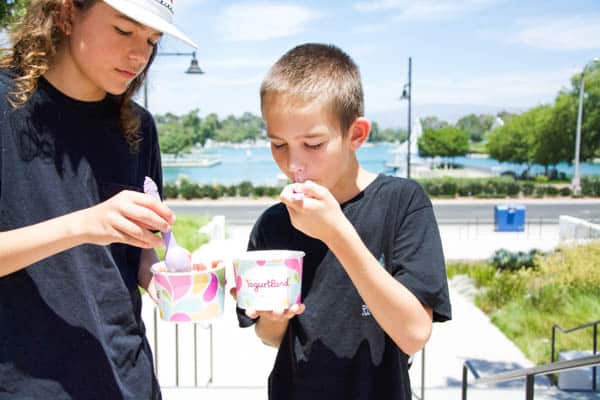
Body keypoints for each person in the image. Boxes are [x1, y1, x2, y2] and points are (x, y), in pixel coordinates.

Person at [0, 1, 196, 398]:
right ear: (67, 14)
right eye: (124, 31)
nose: (140, 55)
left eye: (152, 40)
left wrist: (160, 273)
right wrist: (83, 225)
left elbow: (134, 252)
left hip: (128, 380)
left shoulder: (139, 127)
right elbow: (92, 227)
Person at [236, 43, 452, 399]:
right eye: (278, 144)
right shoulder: (273, 223)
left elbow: (414, 333)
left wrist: (336, 233)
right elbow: (270, 337)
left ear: (356, 135)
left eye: (313, 143)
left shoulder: (403, 203)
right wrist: (273, 316)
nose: (293, 165)